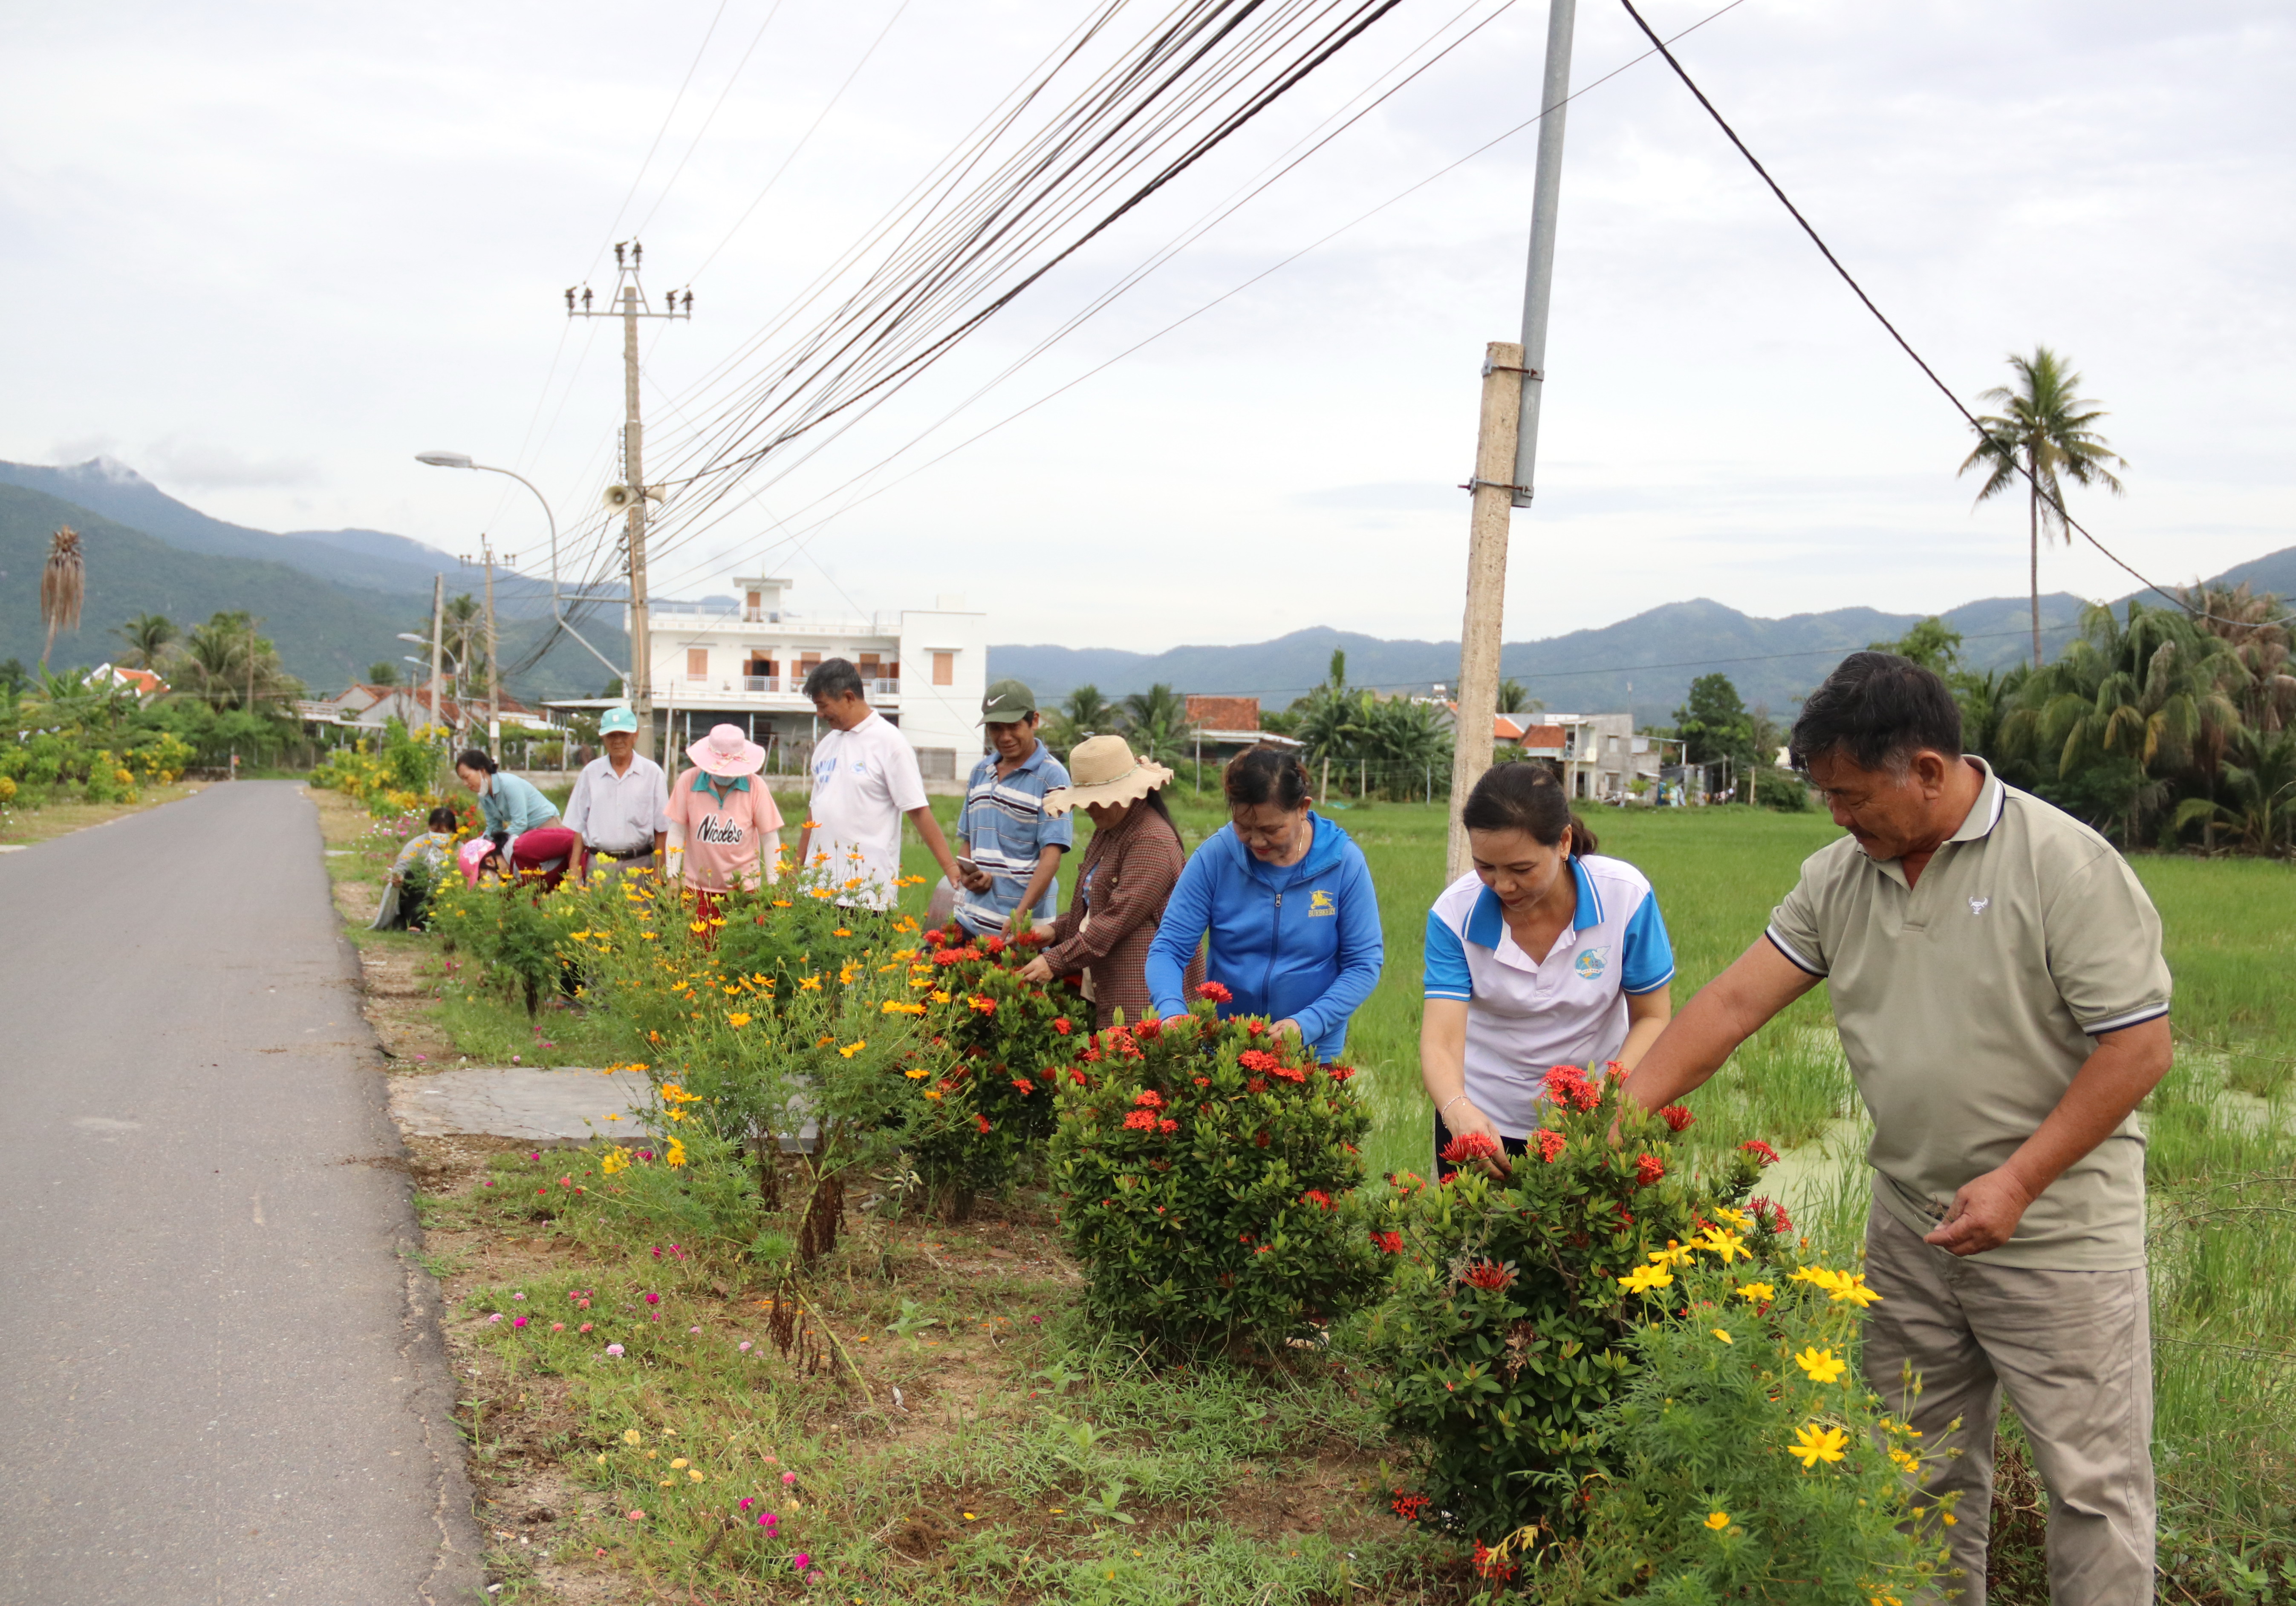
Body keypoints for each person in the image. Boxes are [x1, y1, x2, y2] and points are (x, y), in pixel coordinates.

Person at [1618, 652, 2172, 1606]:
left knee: (2090, 1488)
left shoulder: (2061, 864)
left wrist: (2015, 1183)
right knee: (1911, 1470)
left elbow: (2137, 1048)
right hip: (1912, 1227)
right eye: (1823, 793)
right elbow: (1726, 1008)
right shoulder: (1838, 877)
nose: (1834, 813)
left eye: (1847, 793)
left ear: (1924, 769)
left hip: (2056, 1237)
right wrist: (1610, 1125)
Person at [1422, 763, 1673, 1175]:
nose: (1503, 885)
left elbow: (1652, 1016)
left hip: (1594, 1121)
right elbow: (1441, 1043)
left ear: (1563, 842)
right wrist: (1457, 1109)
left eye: (1521, 869)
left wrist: (1608, 1101)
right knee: (1473, 1238)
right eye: (1485, 866)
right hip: (1484, 1123)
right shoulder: (1454, 915)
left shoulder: (1624, 896)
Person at [1145, 745, 1383, 1059]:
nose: (1256, 841)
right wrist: (1172, 1010)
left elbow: (1363, 963)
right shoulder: (1215, 858)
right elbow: (1169, 949)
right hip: (1225, 1046)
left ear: (1302, 807)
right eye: (1243, 827)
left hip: (1311, 1048)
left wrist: (1307, 1024)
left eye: (1271, 829)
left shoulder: (1342, 863)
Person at [1018, 734, 1194, 1029]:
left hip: (1141, 1001)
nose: (1090, 808)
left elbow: (1116, 919)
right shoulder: (1110, 828)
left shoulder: (1150, 839)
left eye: (1098, 800)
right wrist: (1054, 930)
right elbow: (1095, 906)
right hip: (1105, 986)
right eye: (1086, 801)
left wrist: (1055, 960)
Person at [795, 658, 965, 909]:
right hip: (815, 890)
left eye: (823, 706)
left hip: (866, 896)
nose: (819, 714)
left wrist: (950, 868)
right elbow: (815, 812)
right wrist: (796, 871)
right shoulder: (826, 745)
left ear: (849, 697)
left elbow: (917, 810)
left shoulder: (890, 743)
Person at [953, 678, 1074, 937]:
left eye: (1014, 727)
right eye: (996, 728)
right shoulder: (980, 773)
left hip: (1021, 931)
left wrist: (1020, 915)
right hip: (970, 921)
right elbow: (968, 842)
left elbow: (1051, 859)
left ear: (1035, 721)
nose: (1005, 737)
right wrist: (968, 876)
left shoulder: (1053, 778)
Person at [664, 724, 783, 910]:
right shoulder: (688, 781)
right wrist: (672, 875)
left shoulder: (755, 786)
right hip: (697, 889)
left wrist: (775, 884)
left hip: (743, 890)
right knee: (698, 939)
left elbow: (770, 838)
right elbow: (677, 831)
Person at [563, 706, 668, 885]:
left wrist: (659, 870)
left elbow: (662, 828)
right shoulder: (591, 773)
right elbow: (579, 824)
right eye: (612, 735)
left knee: (641, 914)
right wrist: (574, 868)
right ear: (603, 738)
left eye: (624, 735)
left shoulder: (653, 773)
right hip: (600, 865)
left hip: (640, 864)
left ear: (635, 736)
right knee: (597, 913)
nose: (618, 741)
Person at [456, 747, 578, 889]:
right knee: (530, 885)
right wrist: (477, 847)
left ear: (482, 770)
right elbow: (494, 827)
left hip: (547, 826)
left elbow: (520, 823)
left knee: (552, 879)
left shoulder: (509, 784)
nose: (465, 783)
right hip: (526, 836)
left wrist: (493, 846)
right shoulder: (483, 794)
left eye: (466, 777)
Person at [374, 805, 459, 930]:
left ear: (452, 832)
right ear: (429, 829)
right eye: (435, 831)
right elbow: (401, 867)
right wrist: (399, 878)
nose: (439, 836)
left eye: (443, 833)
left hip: (443, 897)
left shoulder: (459, 849)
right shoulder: (418, 844)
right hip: (417, 898)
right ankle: (416, 924)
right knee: (418, 871)